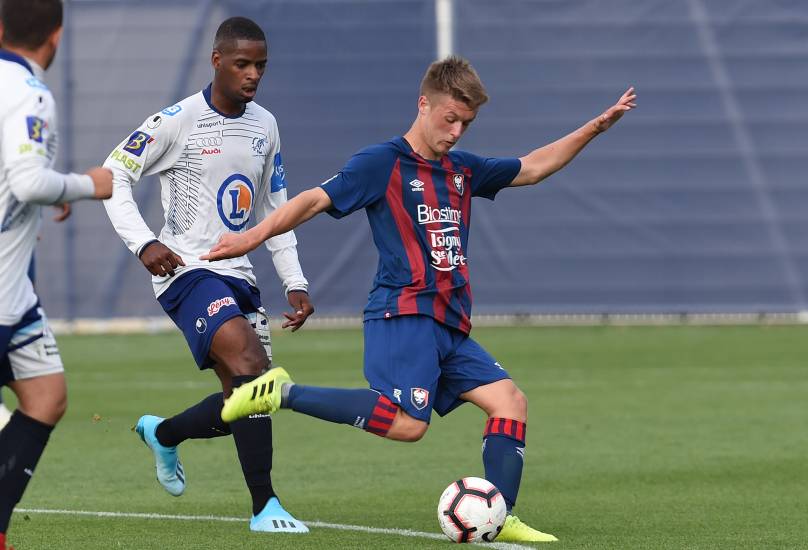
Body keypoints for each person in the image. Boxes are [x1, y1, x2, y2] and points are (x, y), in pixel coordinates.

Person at [205, 55, 636, 542]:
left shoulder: (462, 170)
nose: (456, 131)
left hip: (449, 323)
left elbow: (534, 168)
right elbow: (313, 199)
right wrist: (251, 238)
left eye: (466, 123)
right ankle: (282, 393)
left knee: (510, 402)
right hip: (403, 313)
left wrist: (595, 128)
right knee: (409, 425)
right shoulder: (382, 162)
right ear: (423, 103)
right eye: (449, 118)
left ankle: (498, 512)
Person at [101, 17, 313, 534]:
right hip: (185, 271)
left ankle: (166, 433)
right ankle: (265, 507)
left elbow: (275, 210)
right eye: (243, 63)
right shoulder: (178, 120)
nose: (253, 74)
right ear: (216, 60)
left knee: (248, 395)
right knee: (248, 356)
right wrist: (145, 243)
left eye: (261, 65)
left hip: (238, 274)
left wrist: (295, 281)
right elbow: (113, 174)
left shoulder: (266, 125)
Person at [0, 0, 114, 547]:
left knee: (46, 396)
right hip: (0, 293)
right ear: (58, 35)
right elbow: (25, 182)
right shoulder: (30, 93)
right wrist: (84, 184)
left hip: (14, 294)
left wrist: (46, 192)